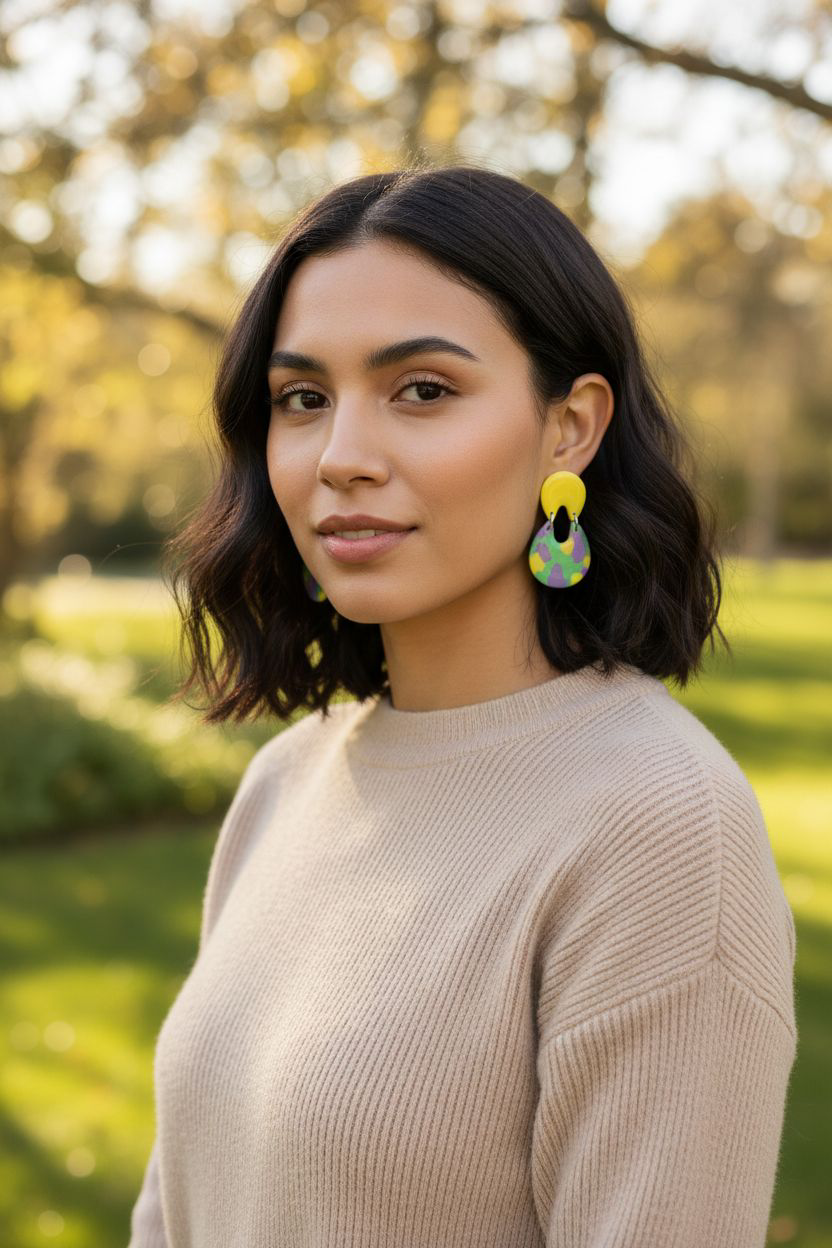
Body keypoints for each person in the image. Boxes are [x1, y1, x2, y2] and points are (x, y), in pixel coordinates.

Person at [128, 164, 797, 1247]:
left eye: (422, 391)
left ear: (570, 428)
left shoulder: (660, 827)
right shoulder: (286, 780)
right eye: (303, 399)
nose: (341, 457)